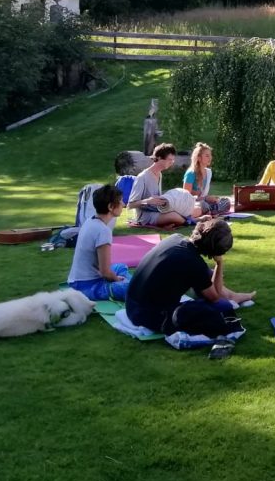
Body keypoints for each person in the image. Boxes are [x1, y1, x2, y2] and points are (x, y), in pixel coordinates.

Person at [126, 219, 256, 336]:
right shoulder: (194, 263)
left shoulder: (175, 238)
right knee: (221, 307)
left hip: (131, 305)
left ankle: (233, 296)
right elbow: (215, 298)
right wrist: (219, 263)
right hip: (148, 316)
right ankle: (232, 298)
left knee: (207, 276)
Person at [67, 185, 131, 301]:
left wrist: (115, 277)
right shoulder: (103, 230)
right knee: (129, 288)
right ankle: (133, 286)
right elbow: (105, 272)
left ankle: (131, 284)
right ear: (111, 207)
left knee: (120, 267)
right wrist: (117, 279)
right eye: (120, 201)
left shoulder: (90, 220)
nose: (123, 204)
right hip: (86, 287)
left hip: (78, 281)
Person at [127, 143, 189, 228]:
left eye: (173, 160)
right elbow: (130, 205)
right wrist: (148, 201)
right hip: (145, 216)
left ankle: (183, 220)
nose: (172, 163)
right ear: (159, 158)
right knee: (174, 216)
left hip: (157, 210)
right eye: (169, 160)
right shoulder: (142, 177)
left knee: (183, 209)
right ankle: (190, 221)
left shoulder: (159, 174)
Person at [183, 142, 230, 215]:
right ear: (198, 158)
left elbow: (204, 195)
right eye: (207, 156)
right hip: (193, 203)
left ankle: (213, 209)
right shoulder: (191, 173)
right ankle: (212, 210)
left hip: (203, 201)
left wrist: (209, 198)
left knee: (225, 201)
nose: (210, 158)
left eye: (210, 155)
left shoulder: (208, 172)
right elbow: (185, 196)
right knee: (204, 205)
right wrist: (204, 198)